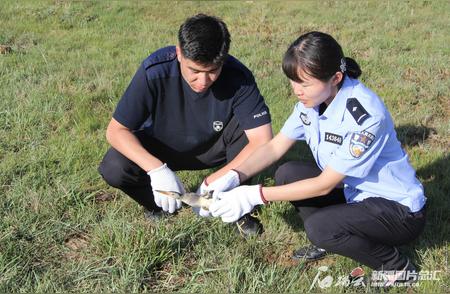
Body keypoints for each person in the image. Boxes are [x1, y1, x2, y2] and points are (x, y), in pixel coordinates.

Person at [209, 31, 426, 286]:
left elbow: (324, 184)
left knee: (319, 228)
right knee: (286, 173)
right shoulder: (313, 100)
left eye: (304, 83)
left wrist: (255, 195)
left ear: (335, 78)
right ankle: (333, 240)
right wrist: (235, 176)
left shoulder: (366, 116)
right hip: (353, 191)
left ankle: (397, 268)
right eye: (293, 80)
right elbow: (275, 147)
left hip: (397, 211)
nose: (296, 90)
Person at [98, 14, 273, 236]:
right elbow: (116, 131)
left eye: (212, 71)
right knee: (114, 166)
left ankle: (236, 207)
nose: (203, 81)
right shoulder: (155, 71)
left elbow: (263, 140)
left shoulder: (239, 77)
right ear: (179, 53)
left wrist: (223, 177)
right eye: (195, 71)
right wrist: (156, 169)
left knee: (250, 135)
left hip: (215, 149)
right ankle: (159, 204)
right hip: (164, 148)